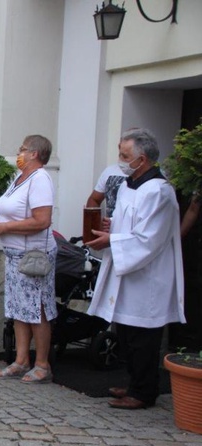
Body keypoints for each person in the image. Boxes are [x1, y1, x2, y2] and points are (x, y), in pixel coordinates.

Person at [86, 128, 185, 410]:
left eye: (124, 155)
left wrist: (112, 239)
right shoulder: (131, 186)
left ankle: (144, 392)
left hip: (148, 277)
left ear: (142, 160)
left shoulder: (159, 192)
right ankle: (133, 383)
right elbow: (129, 225)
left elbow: (150, 238)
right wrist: (112, 228)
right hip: (128, 272)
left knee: (144, 337)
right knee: (127, 333)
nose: (120, 160)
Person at [0, 135, 57, 383]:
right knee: (19, 308)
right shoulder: (20, 179)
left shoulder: (40, 180)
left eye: (23, 149)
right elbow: (9, 214)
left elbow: (42, 221)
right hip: (15, 254)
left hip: (33, 256)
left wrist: (5, 229)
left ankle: (42, 364)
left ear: (35, 154)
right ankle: (20, 360)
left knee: (36, 308)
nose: (19, 152)